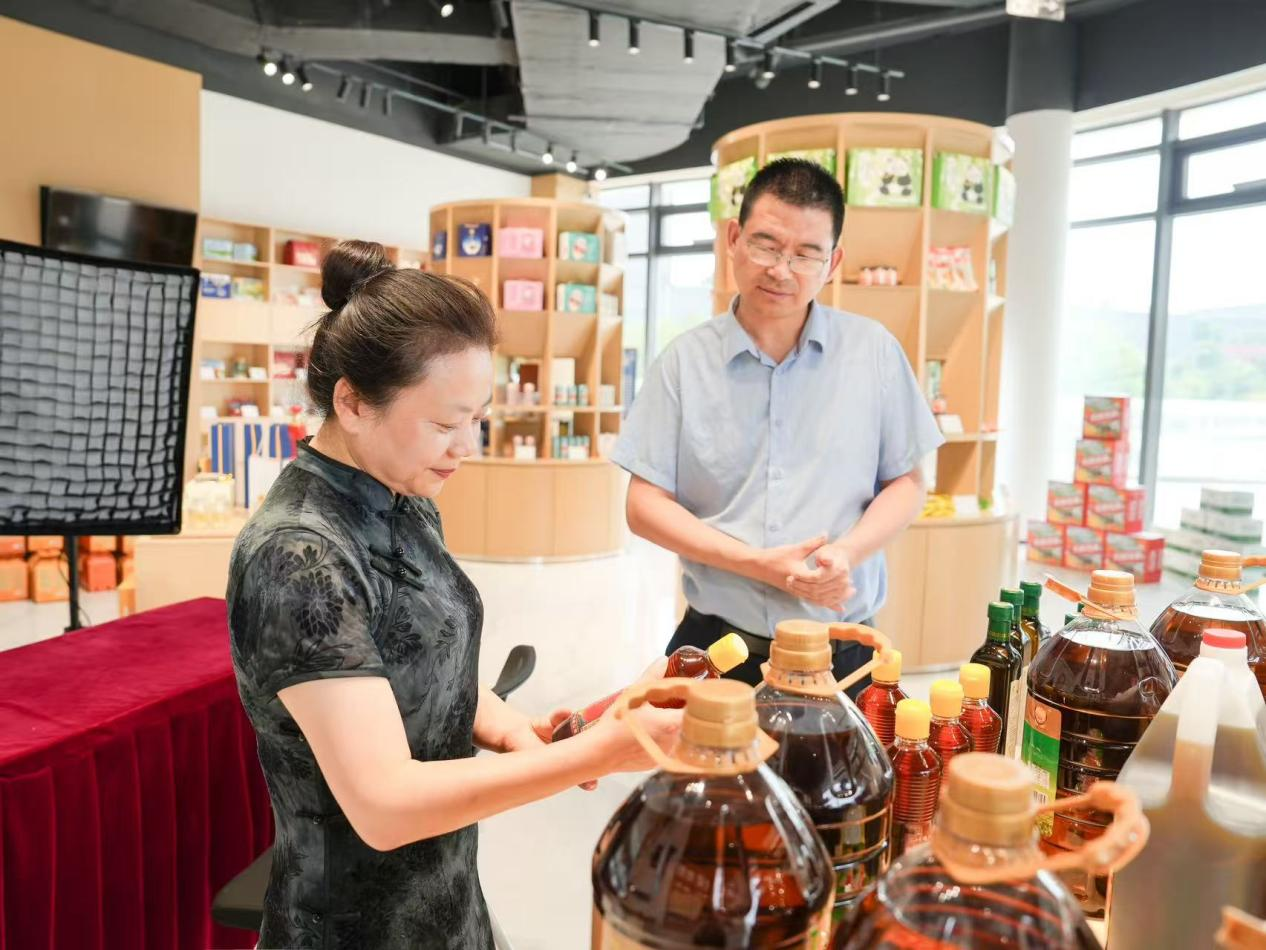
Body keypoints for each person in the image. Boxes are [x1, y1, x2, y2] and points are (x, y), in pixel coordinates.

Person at [226, 241, 678, 949]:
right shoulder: (299, 557)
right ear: (352, 401)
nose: (467, 444)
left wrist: (513, 729)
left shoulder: (405, 497)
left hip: (446, 901)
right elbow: (384, 806)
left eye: (477, 417)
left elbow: (426, 660)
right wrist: (598, 756)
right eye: (444, 423)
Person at [611, 159, 944, 696]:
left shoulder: (875, 352)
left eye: (806, 254)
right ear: (734, 239)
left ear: (833, 263)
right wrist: (755, 563)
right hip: (717, 648)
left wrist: (847, 553)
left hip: (843, 652)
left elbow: (906, 483)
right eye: (766, 245)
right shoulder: (683, 362)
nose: (782, 270)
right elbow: (643, 505)